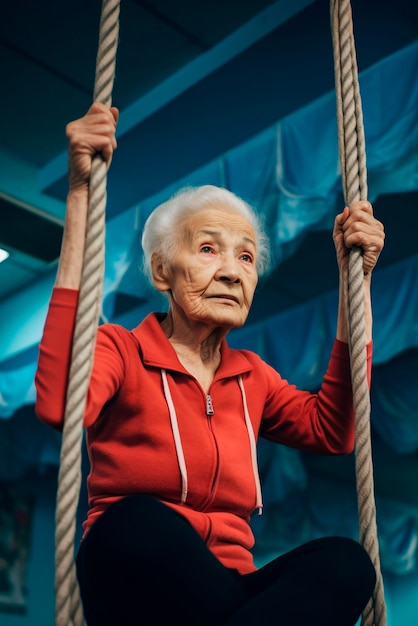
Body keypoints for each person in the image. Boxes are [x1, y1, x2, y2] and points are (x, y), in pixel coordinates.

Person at [35, 102, 384, 626]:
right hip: (135, 569)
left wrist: (356, 283)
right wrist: (81, 193)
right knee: (135, 523)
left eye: (245, 257)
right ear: (160, 273)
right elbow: (62, 403)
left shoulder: (252, 376)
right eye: (207, 249)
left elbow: (333, 430)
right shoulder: (120, 348)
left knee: (346, 563)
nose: (231, 272)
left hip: (225, 590)